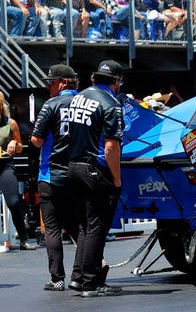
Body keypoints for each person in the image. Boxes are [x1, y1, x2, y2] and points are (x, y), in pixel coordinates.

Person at [67, 60, 125, 298]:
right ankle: (92, 283)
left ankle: (79, 277)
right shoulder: (111, 103)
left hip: (74, 166)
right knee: (97, 228)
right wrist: (117, 178)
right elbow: (111, 147)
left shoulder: (78, 97)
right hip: (95, 169)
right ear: (117, 81)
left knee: (85, 226)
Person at [30, 64, 80, 291]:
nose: (48, 87)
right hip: (79, 173)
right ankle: (87, 271)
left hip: (51, 174)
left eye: (50, 83)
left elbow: (36, 141)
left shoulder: (51, 105)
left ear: (62, 83)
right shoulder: (85, 103)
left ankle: (57, 279)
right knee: (80, 227)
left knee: (52, 229)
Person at [0, 91, 36, 250]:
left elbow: (21, 148)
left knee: (14, 202)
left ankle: (23, 239)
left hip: (5, 164)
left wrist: (15, 143)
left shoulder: (10, 123)